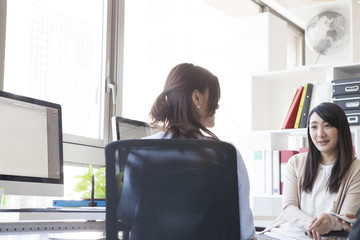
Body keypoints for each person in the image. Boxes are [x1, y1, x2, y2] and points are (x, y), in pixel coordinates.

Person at [143, 63, 256, 239]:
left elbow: (127, 215)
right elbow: (246, 233)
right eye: (215, 97)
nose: (217, 105)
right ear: (196, 97)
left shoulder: (142, 152)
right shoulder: (225, 154)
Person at [260, 102, 360, 240]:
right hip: (281, 234)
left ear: (340, 129)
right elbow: (289, 207)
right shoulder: (296, 162)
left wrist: (329, 220)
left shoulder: (356, 170)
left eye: (327, 125)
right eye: (314, 127)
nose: (320, 134)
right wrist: (310, 224)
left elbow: (348, 219)